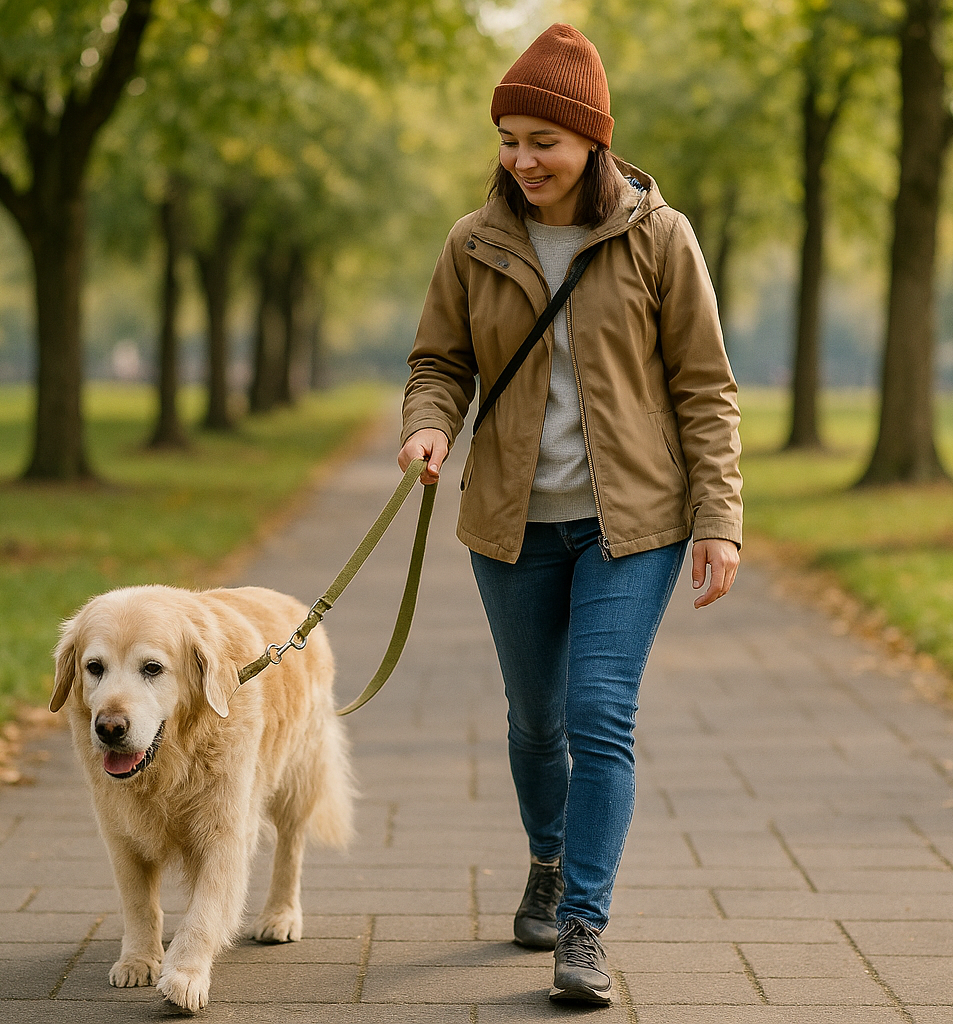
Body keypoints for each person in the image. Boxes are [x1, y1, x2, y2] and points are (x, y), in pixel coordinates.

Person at [398, 23, 743, 1006]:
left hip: (629, 525)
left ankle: (583, 924)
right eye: (508, 138)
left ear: (592, 139)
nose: (521, 158)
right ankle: (547, 860)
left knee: (599, 712)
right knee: (534, 721)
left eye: (540, 139)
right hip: (510, 525)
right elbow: (439, 364)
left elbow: (705, 388)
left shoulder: (658, 237)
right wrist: (429, 428)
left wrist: (719, 517)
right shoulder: (474, 242)